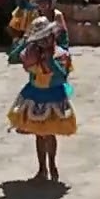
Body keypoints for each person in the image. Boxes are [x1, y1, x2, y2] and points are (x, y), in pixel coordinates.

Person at [7, 17, 76, 181]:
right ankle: (42, 168)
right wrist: (25, 42)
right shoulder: (31, 54)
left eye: (47, 37)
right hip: (35, 94)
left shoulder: (61, 54)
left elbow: (62, 76)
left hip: (53, 96)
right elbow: (12, 58)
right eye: (41, 38)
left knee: (50, 133)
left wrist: (50, 60)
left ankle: (52, 164)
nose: (45, 41)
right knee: (39, 134)